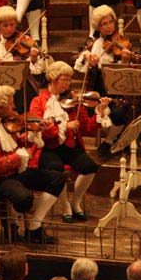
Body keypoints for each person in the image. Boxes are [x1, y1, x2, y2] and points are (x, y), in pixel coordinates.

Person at [0, 85, 65, 244]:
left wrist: (34, 134)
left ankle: (34, 227)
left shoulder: (6, 119)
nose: (14, 107)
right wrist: (18, 157)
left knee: (56, 179)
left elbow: (15, 142)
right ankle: (10, 225)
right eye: (10, 103)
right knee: (24, 199)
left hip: (14, 171)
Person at [29, 61, 110, 222]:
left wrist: (100, 112)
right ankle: (65, 205)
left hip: (69, 146)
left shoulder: (73, 102)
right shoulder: (38, 102)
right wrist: (65, 126)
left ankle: (75, 202)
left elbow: (88, 128)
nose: (67, 84)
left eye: (69, 80)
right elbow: (41, 132)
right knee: (56, 170)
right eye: (64, 80)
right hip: (47, 149)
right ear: (52, 79)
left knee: (90, 167)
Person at [75, 5, 141, 157]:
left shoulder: (124, 43)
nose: (108, 27)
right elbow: (81, 66)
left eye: (110, 22)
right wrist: (89, 60)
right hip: (98, 88)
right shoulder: (94, 44)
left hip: (119, 90)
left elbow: (129, 73)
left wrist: (126, 61)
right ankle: (114, 139)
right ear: (98, 27)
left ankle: (109, 141)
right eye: (103, 24)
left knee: (119, 112)